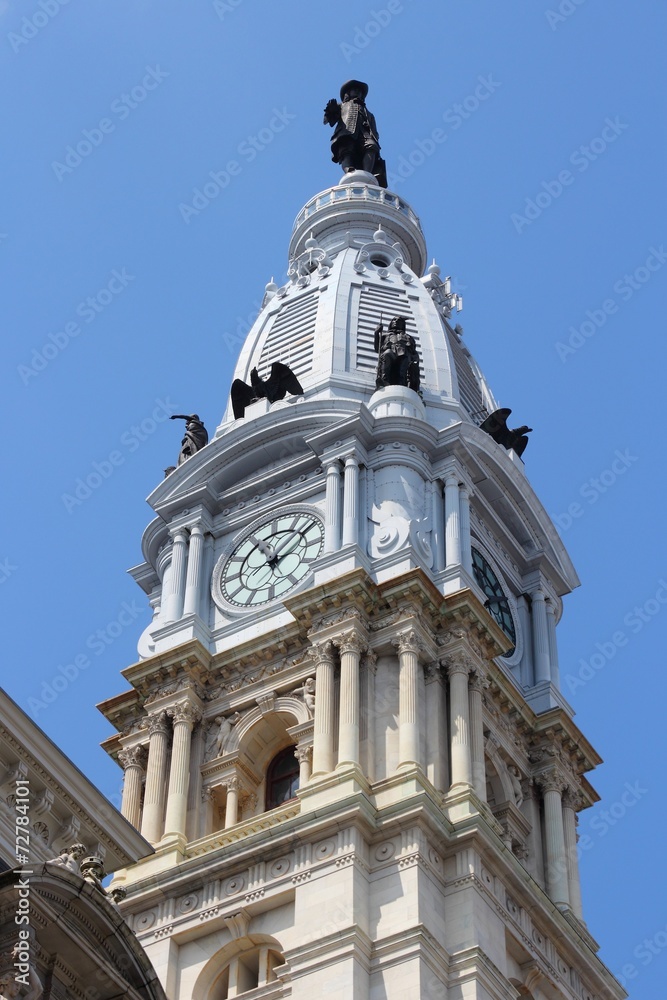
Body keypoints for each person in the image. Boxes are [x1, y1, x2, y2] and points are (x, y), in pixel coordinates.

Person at [323, 80, 387, 186]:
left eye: (360, 91)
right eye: (354, 89)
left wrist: (375, 137)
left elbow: (374, 130)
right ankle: (349, 170)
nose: (357, 92)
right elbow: (328, 120)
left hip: (364, 133)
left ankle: (367, 173)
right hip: (347, 131)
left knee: (371, 146)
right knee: (347, 150)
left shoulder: (369, 113)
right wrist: (331, 110)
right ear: (348, 93)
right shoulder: (342, 106)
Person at [374, 316, 420, 391]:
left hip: (403, 354)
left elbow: (413, 351)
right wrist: (376, 333)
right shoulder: (385, 335)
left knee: (404, 359)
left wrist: (414, 358)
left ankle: (401, 384)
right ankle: (384, 381)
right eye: (394, 320)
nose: (396, 322)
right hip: (391, 352)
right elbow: (377, 349)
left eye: (399, 321)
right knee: (387, 354)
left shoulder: (408, 337)